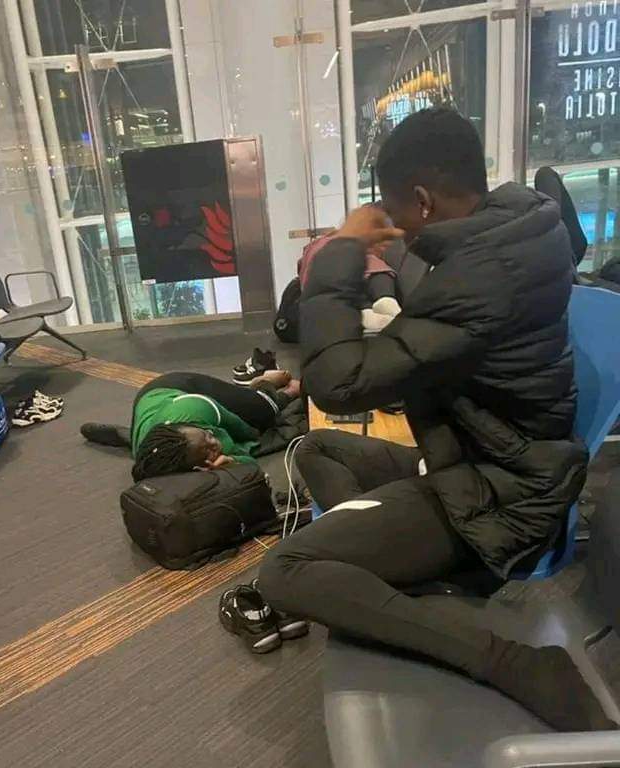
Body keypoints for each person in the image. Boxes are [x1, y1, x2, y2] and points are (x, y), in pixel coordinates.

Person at [224, 107, 617, 735]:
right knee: (316, 450)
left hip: (502, 495)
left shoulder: (483, 277)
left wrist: (341, 251)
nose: (396, 224)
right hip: (472, 458)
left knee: (286, 572)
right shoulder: (510, 230)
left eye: (397, 210)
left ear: (424, 201)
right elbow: (429, 304)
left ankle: (513, 661)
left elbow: (338, 381)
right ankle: (400, 576)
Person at [81, 370, 302, 480]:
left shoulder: (198, 409)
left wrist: (233, 453)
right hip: (152, 410)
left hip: (178, 388)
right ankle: (129, 435)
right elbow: (244, 461)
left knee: (263, 414)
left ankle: (268, 383)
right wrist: (232, 462)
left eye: (209, 436)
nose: (214, 441)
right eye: (208, 449)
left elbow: (250, 435)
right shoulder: (155, 461)